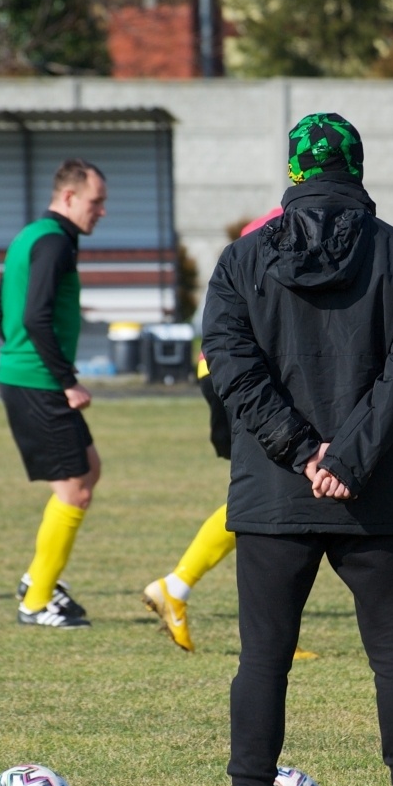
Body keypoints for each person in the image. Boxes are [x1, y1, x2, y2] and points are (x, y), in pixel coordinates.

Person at [200, 113, 393, 786]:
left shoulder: (243, 258)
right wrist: (345, 455)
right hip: (376, 493)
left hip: (277, 492)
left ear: (295, 171)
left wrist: (303, 452)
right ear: (357, 168)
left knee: (263, 661)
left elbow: (230, 365)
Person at [143, 208, 318, 661]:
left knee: (269, 495)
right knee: (270, 495)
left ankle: (184, 590)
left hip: (228, 371)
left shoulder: (279, 221)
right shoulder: (287, 224)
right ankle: (179, 587)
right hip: (244, 376)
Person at [0, 159, 108, 628]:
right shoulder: (55, 242)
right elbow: (35, 316)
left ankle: (38, 579)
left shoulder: (32, 235)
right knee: (75, 490)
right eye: (96, 202)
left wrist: (19, 355)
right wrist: (65, 379)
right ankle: (36, 602)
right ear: (69, 197)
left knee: (88, 470)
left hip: (29, 374)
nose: (102, 211)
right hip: (38, 380)